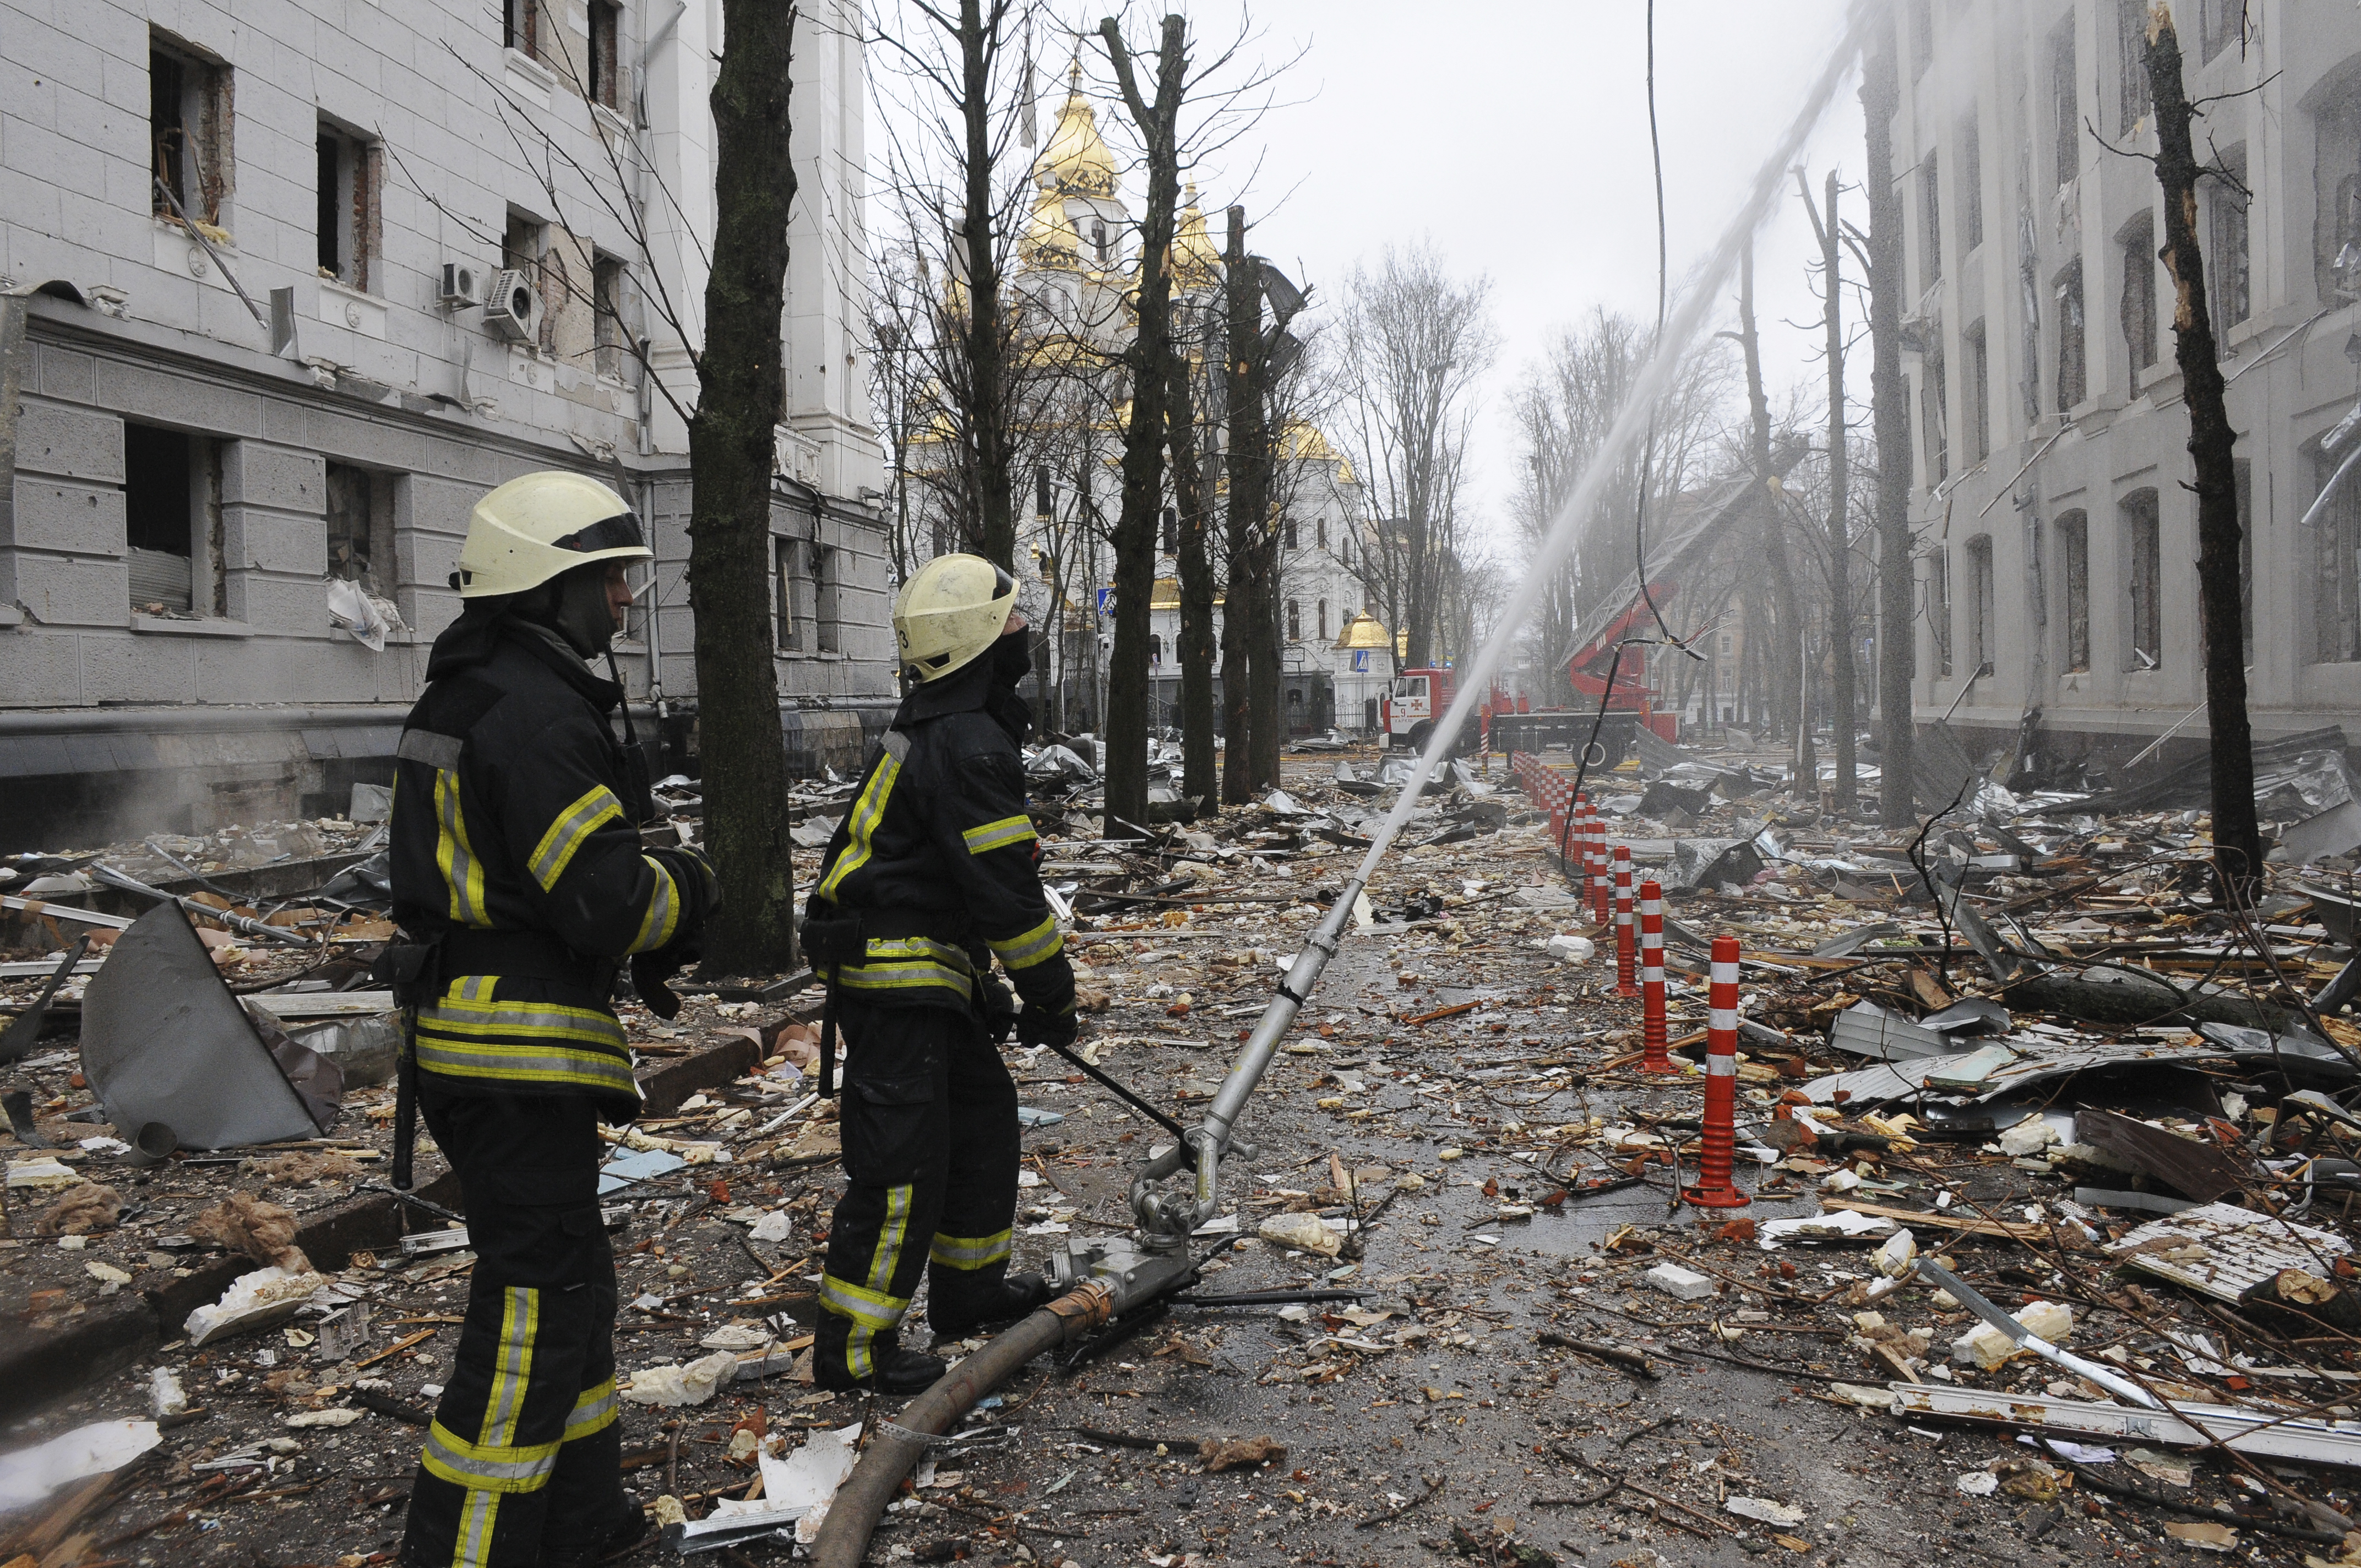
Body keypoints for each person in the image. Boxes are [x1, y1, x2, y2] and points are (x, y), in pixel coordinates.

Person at [388, 471, 715, 1568]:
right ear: (546, 585)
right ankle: (466, 1550)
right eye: (608, 577)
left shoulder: (474, 691)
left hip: (475, 1044)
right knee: (534, 1308)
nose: (624, 597)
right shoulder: (532, 715)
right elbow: (606, 900)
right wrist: (691, 888)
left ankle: (581, 1523)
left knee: (570, 1288)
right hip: (514, 1052)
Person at [801, 553, 1078, 1393]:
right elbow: (1004, 895)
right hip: (896, 980)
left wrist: (980, 987)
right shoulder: (968, 740)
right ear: (982, 640)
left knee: (984, 1122)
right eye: (1012, 619)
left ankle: (969, 1291)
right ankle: (853, 1348)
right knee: (901, 1165)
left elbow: (936, 876)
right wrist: (1051, 996)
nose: (1024, 631)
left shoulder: (942, 724)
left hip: (916, 970)